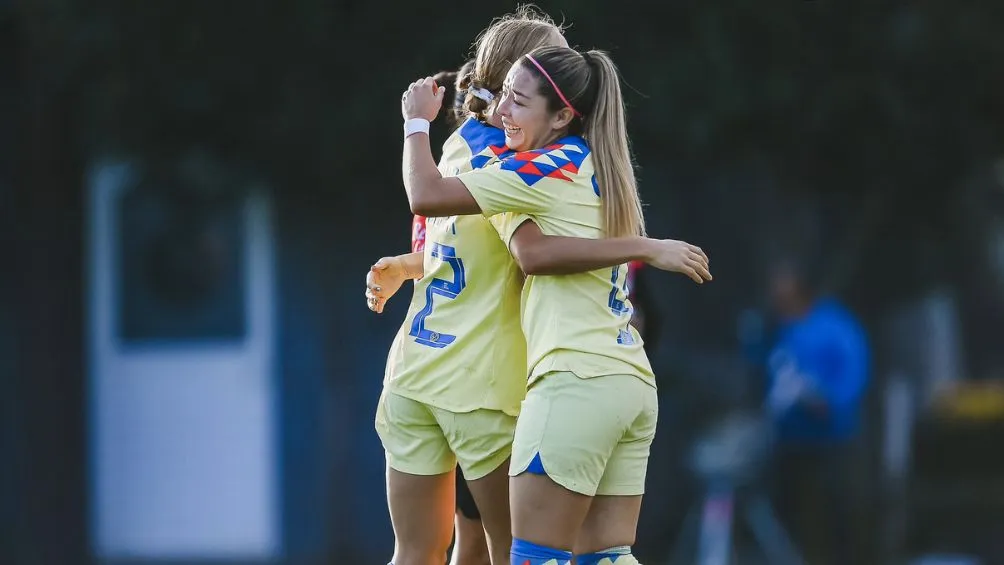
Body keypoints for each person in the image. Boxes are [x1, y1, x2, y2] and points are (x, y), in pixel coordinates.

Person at [371, 11, 711, 565]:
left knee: (457, 552)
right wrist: (645, 247)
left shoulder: (470, 149)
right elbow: (515, 250)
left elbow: (488, 242)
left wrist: (415, 126)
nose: (506, 108)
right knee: (564, 553)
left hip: (442, 372)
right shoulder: (567, 162)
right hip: (527, 382)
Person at [760, 257, 869, 565]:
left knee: (838, 514)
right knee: (791, 515)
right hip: (789, 441)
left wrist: (830, 401)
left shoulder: (834, 325)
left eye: (783, 283)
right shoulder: (775, 330)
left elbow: (854, 372)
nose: (776, 291)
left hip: (833, 440)